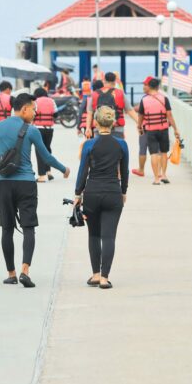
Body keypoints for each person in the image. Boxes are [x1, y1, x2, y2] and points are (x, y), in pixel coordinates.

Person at [0, 93, 70, 288]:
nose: (35, 113)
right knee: (28, 228)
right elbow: (46, 157)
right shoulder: (32, 131)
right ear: (24, 109)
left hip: (5, 185)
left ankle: (11, 274)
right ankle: (26, 270)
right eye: (33, 109)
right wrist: (63, 169)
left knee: (7, 229)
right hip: (26, 183)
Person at [74, 106, 129, 290]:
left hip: (92, 193)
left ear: (96, 122)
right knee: (109, 236)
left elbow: (83, 171)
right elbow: (125, 170)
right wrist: (123, 191)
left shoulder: (89, 145)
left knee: (94, 235)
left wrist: (77, 194)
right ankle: (105, 277)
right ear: (113, 123)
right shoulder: (121, 145)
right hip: (113, 192)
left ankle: (95, 274)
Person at [136, 77, 180, 185]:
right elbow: (169, 115)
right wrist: (175, 129)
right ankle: (164, 175)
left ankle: (156, 178)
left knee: (154, 153)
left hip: (150, 130)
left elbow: (140, 116)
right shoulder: (164, 99)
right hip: (163, 129)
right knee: (164, 153)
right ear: (158, 87)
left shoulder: (144, 100)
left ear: (149, 86)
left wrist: (139, 127)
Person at [86, 71, 137, 140]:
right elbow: (130, 111)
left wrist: (88, 128)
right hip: (117, 129)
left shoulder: (94, 94)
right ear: (114, 81)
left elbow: (89, 113)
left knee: (99, 150)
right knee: (118, 149)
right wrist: (140, 124)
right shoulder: (120, 94)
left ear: (104, 80)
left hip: (99, 129)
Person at [32, 87, 57, 182]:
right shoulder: (52, 101)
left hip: (39, 128)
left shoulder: (35, 102)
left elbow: (33, 114)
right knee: (47, 149)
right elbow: (56, 114)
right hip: (49, 129)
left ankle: (42, 175)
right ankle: (48, 171)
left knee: (39, 151)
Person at [131, 76, 154, 177]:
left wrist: (139, 126)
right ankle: (160, 173)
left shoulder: (145, 98)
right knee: (156, 150)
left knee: (143, 148)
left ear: (150, 86)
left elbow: (141, 112)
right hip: (158, 127)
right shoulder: (161, 97)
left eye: (145, 85)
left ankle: (141, 170)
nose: (144, 87)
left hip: (145, 127)